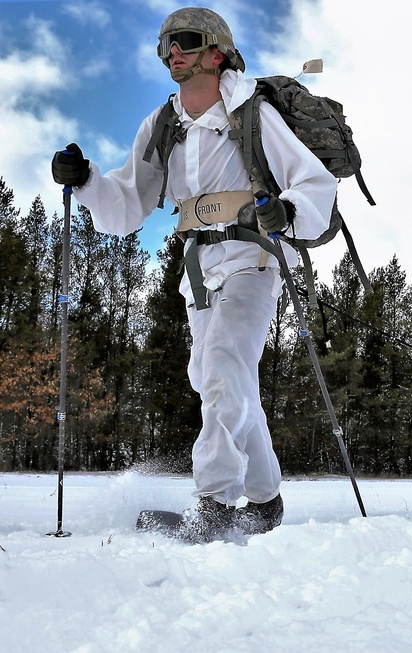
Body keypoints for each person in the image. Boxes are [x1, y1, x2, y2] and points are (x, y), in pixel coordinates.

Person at [51, 7, 337, 539]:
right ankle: (265, 498)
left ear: (216, 51)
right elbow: (129, 204)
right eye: (164, 46)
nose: (171, 53)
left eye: (183, 41)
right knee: (213, 378)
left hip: (253, 258)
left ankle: (214, 503)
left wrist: (288, 211)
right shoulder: (162, 125)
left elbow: (314, 182)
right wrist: (87, 180)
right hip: (199, 269)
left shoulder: (251, 112)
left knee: (226, 366)